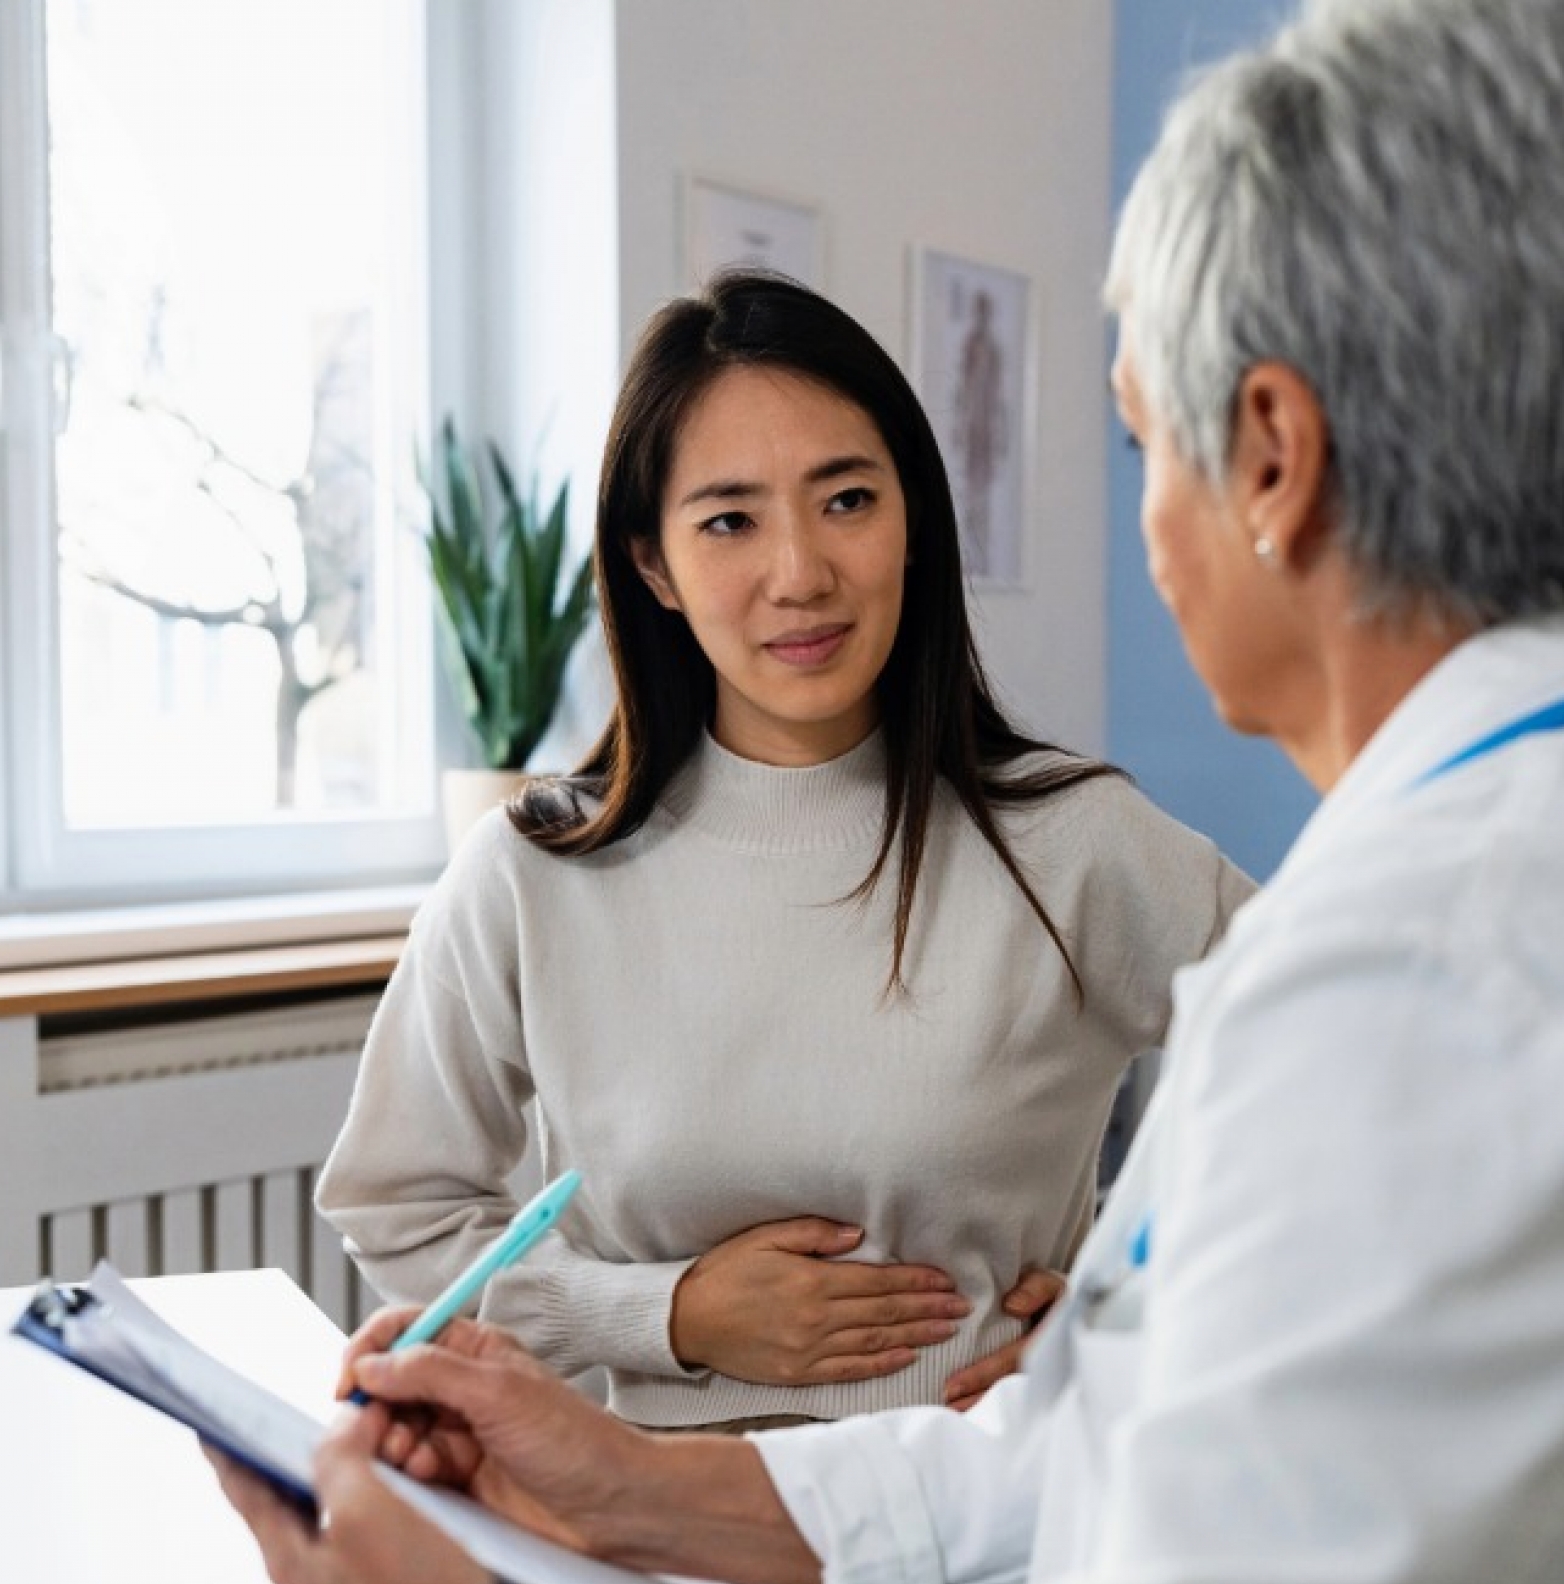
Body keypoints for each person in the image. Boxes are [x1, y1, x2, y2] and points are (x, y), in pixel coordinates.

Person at [215, 1, 1564, 1584]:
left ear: (1269, 451)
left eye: (1138, 432)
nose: (1149, 518)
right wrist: (630, 1480)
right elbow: (1108, 1457)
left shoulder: (1438, 980)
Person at [317, 270, 1253, 1432]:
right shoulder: (532, 873)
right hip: (653, 1532)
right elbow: (394, 1205)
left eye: (848, 500)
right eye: (728, 521)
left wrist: (1135, 1309)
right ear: (652, 565)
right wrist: (662, 1317)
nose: (801, 572)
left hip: (985, 1534)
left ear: (911, 515)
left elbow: (1357, 1061)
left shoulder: (1073, 843)